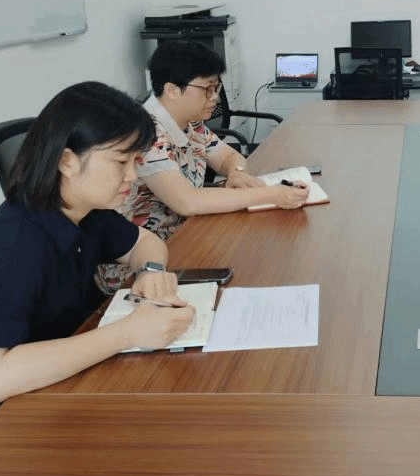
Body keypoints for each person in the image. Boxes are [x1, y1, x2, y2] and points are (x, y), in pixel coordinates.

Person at [0, 82, 195, 436]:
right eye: (121, 162)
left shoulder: (83, 210)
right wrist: (126, 334)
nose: (132, 176)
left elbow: (146, 242)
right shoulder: (14, 247)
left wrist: (151, 272)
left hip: (50, 379)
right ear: (67, 161)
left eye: (136, 161)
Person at [98, 41, 308, 292]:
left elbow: (229, 156)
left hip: (187, 233)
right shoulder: (147, 133)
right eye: (207, 89)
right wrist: (271, 194)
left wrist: (236, 174)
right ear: (172, 90)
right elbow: (188, 202)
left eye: (216, 88)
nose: (215, 97)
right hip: (139, 266)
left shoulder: (191, 121)